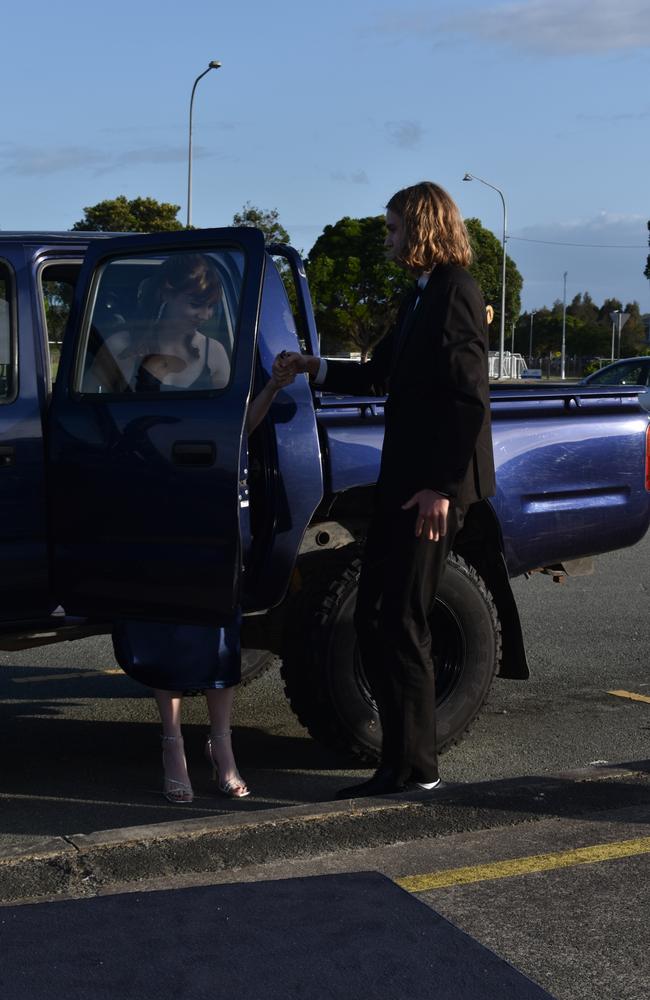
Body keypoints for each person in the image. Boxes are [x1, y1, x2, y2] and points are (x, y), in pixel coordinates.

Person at [278, 181, 496, 798]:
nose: (388, 237)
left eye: (394, 227)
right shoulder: (421, 296)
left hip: (431, 488)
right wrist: (312, 366)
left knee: (401, 618)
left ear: (423, 226)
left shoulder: (456, 291)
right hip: (404, 483)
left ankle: (416, 768)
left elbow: (466, 400)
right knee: (377, 613)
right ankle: (398, 764)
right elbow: (380, 374)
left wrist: (441, 488)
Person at [101, 253, 296, 803]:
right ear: (167, 292)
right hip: (152, 506)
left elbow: (239, 430)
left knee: (217, 625)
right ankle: (171, 745)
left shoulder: (214, 353)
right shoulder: (119, 348)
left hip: (208, 504)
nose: (201, 315)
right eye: (195, 302)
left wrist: (272, 388)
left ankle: (221, 745)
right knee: (165, 624)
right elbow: (98, 424)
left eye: (210, 306)